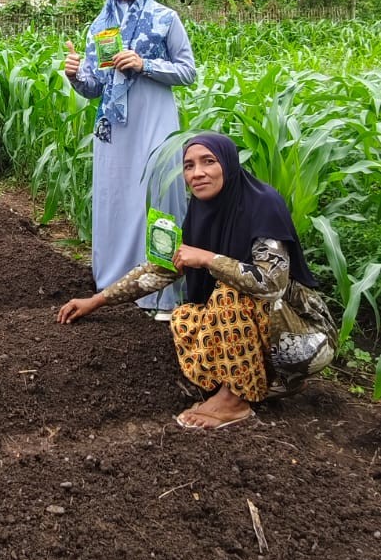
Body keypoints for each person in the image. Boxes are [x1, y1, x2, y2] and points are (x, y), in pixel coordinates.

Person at [57, 132, 337, 431]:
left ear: (228, 165)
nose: (197, 173)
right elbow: (164, 269)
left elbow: (272, 283)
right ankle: (273, 382)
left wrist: (208, 259)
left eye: (208, 162)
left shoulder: (263, 203)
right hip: (263, 332)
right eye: (188, 166)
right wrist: (97, 301)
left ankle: (234, 401)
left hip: (303, 337)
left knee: (230, 294)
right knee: (185, 318)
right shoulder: (201, 210)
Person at [64, 0, 195, 313]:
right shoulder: (100, 25)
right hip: (113, 127)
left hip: (154, 120)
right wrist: (75, 76)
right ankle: (116, 282)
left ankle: (162, 291)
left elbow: (188, 71)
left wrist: (144, 64)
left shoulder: (165, 19)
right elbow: (93, 88)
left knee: (157, 197)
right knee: (116, 197)